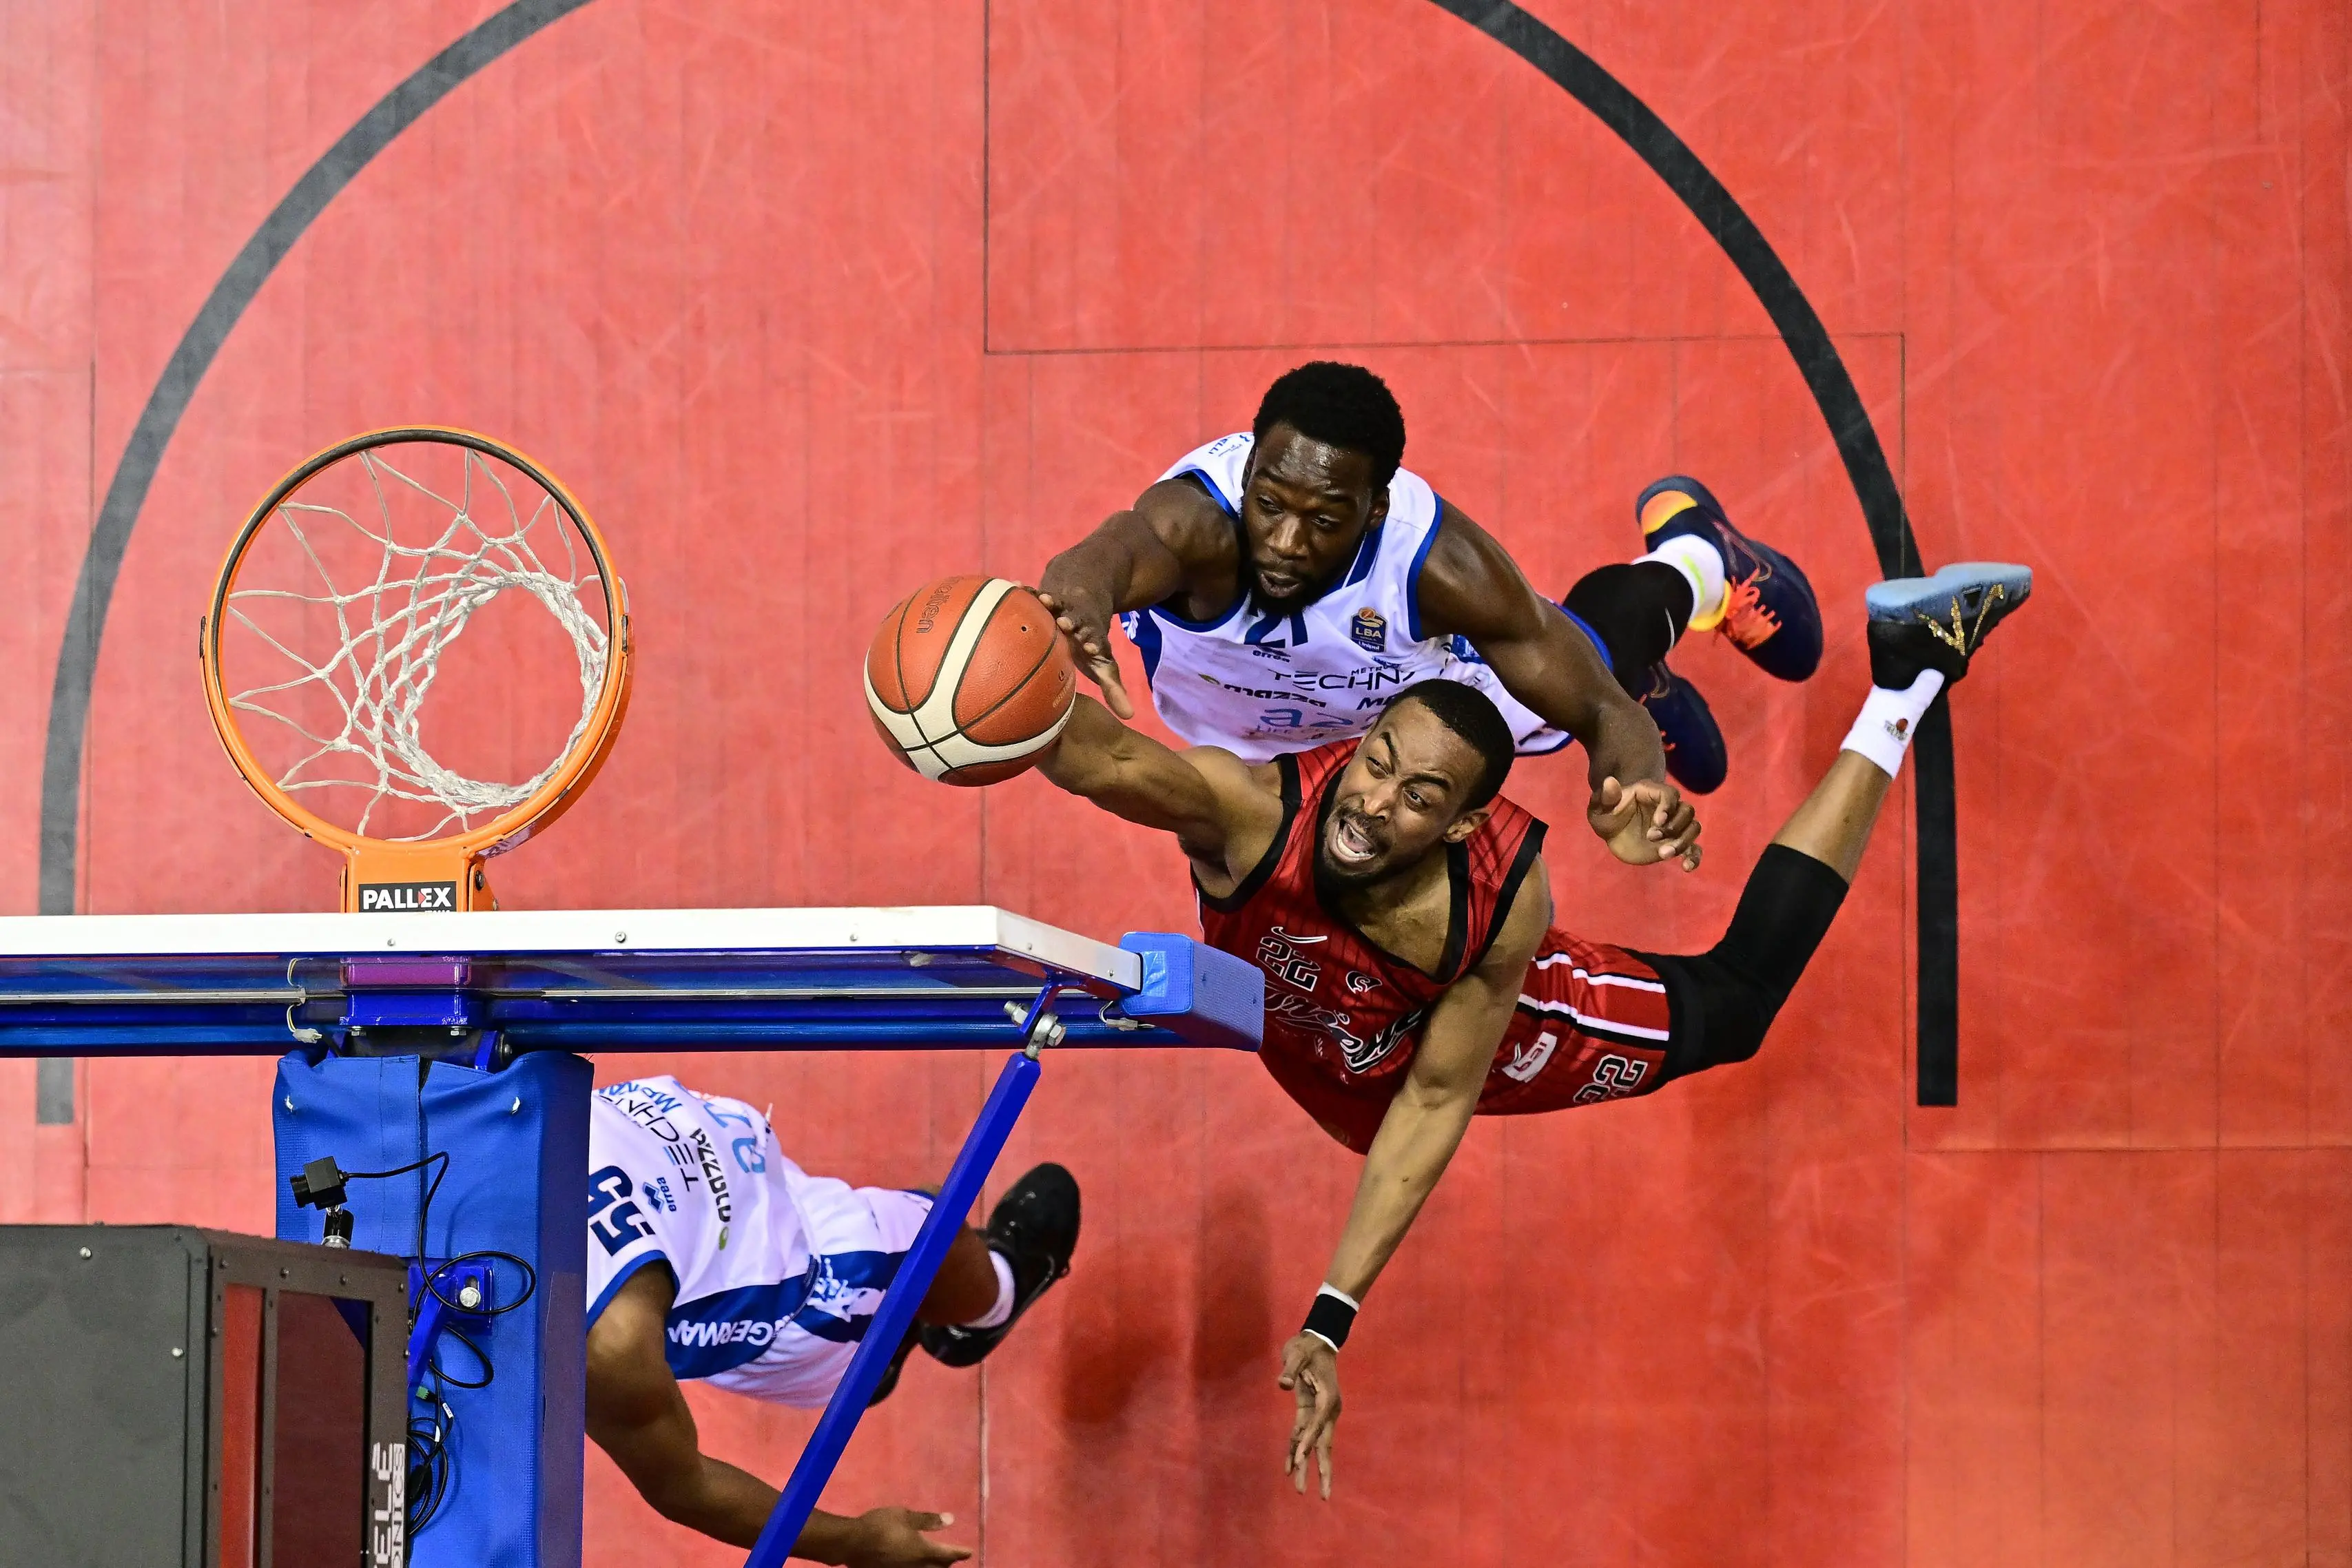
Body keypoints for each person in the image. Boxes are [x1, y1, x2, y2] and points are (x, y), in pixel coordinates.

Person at [1027, 561, 2029, 1496]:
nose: (1373, 807)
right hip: (1341, 1038)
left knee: (1734, 1005)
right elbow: (1093, 751)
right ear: (1359, 744)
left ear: (1462, 826)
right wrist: (964, 692)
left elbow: (1428, 1099)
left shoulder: (1488, 912)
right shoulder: (1245, 814)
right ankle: (1690, 570)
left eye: (1419, 799)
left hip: (1486, 1039)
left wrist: (1330, 1323)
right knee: (1571, 679)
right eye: (1376, 767)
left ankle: (1904, 676)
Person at [1035, 359, 1823, 798]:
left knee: (1596, 658)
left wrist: (1634, 781)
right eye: (1269, 503)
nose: (1282, 541)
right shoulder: (1198, 528)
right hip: (1249, 731)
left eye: (1323, 519)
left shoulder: (1434, 561)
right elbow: (1109, 552)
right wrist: (1078, 601)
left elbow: (1597, 708)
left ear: (1375, 509)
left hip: (1408, 695)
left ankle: (1698, 561)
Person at [581, 1074, 1080, 1565]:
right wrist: (854, 1542)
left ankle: (885, 1343)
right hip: (799, 1289)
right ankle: (988, 1310)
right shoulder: (608, 1344)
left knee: (905, 1250)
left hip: (733, 1194)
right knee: (937, 1232)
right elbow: (682, 1483)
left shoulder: (506, 1094)